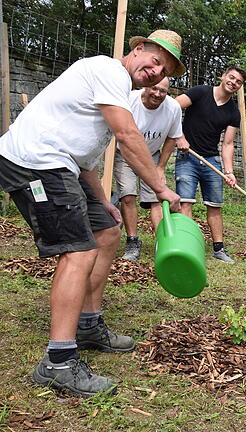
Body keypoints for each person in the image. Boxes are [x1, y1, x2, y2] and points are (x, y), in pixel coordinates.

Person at [0, 30, 185, 397]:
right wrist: (161, 188)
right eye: (154, 59)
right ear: (137, 49)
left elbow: (86, 157)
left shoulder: (119, 90)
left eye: (163, 68)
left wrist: (102, 201)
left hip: (64, 164)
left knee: (107, 229)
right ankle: (58, 361)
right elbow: (128, 137)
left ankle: (87, 324)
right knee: (78, 250)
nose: (155, 70)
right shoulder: (107, 70)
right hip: (35, 162)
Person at [174, 66, 245, 263]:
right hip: (187, 157)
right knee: (185, 202)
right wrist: (178, 136)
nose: (233, 82)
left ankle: (219, 249)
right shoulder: (200, 92)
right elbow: (172, 107)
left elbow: (228, 144)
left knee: (214, 205)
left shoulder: (233, 112)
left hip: (211, 160)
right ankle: (186, 247)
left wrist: (229, 171)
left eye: (238, 81)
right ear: (223, 76)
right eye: (231, 77)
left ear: (239, 87)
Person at [114, 77, 184, 260]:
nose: (158, 94)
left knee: (157, 199)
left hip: (151, 155)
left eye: (163, 91)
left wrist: (160, 167)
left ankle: (163, 243)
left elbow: (172, 137)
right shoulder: (129, 99)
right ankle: (132, 242)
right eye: (154, 88)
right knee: (128, 195)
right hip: (125, 154)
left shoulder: (173, 108)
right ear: (146, 86)